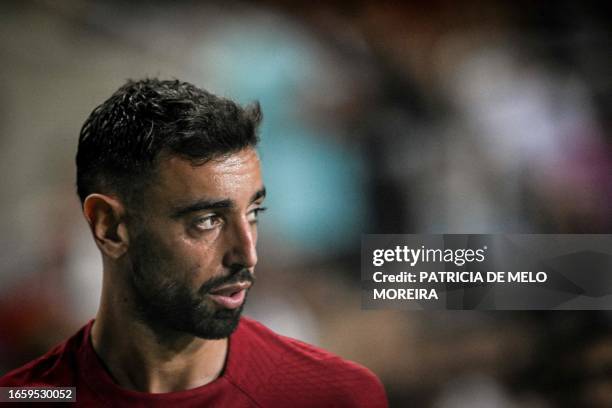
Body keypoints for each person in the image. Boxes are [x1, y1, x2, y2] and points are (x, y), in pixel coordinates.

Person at [0, 79, 387, 407]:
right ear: (111, 228)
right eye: (207, 221)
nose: (248, 254)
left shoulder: (336, 396)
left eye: (253, 214)